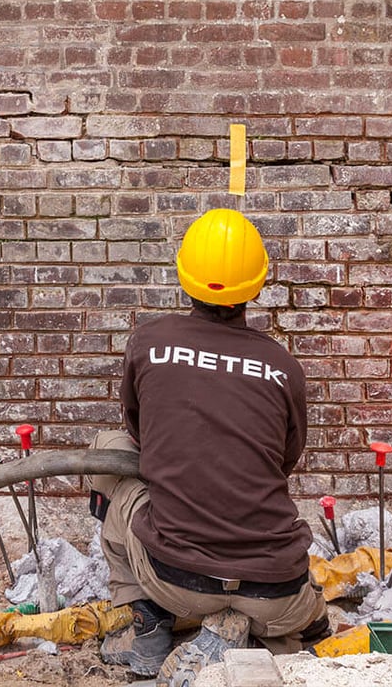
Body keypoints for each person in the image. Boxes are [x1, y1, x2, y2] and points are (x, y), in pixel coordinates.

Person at [90, 208, 330, 681]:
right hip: (281, 594)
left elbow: (139, 436)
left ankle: (149, 622)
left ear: (185, 279)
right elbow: (284, 460)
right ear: (257, 287)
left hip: (175, 585)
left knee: (110, 452)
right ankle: (255, 632)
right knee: (287, 616)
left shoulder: (149, 343)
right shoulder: (283, 367)